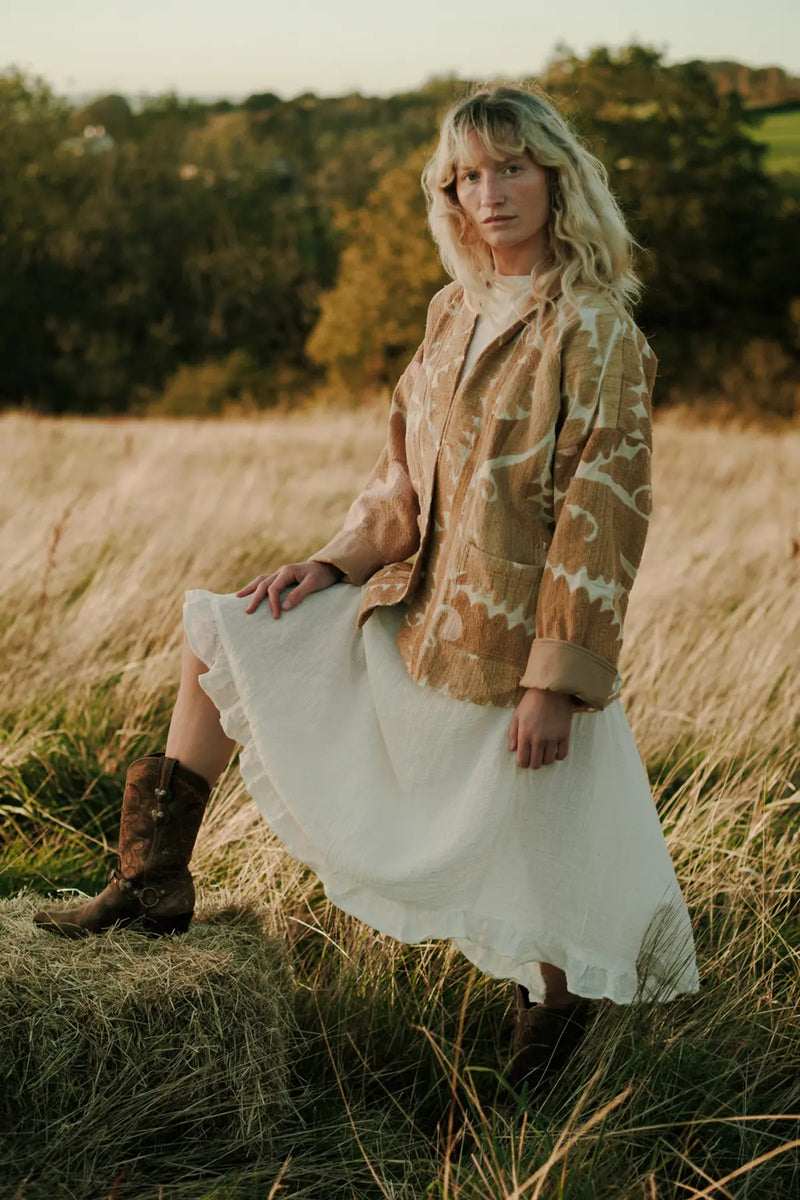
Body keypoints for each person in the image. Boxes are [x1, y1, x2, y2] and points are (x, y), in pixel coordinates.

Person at [34, 83, 699, 1089]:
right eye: (468, 175)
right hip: (415, 612)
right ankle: (151, 878)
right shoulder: (448, 313)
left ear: (555, 179)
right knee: (225, 633)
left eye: (511, 167)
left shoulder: (594, 333)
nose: (491, 193)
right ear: (448, 193)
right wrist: (333, 562)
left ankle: (538, 1093)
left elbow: (600, 517)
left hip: (516, 649)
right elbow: (401, 476)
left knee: (550, 868)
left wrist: (554, 680)